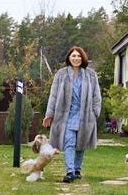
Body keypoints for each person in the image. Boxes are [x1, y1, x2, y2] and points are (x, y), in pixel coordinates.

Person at [42, 46, 102, 183]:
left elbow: (96, 95)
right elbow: (53, 95)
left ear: (83, 58)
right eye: (73, 56)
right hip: (66, 116)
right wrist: (49, 113)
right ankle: (70, 172)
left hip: (85, 115)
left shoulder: (91, 75)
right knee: (70, 142)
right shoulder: (61, 74)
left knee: (81, 143)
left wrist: (95, 112)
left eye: (79, 56)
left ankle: (77, 169)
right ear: (69, 58)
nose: (76, 58)